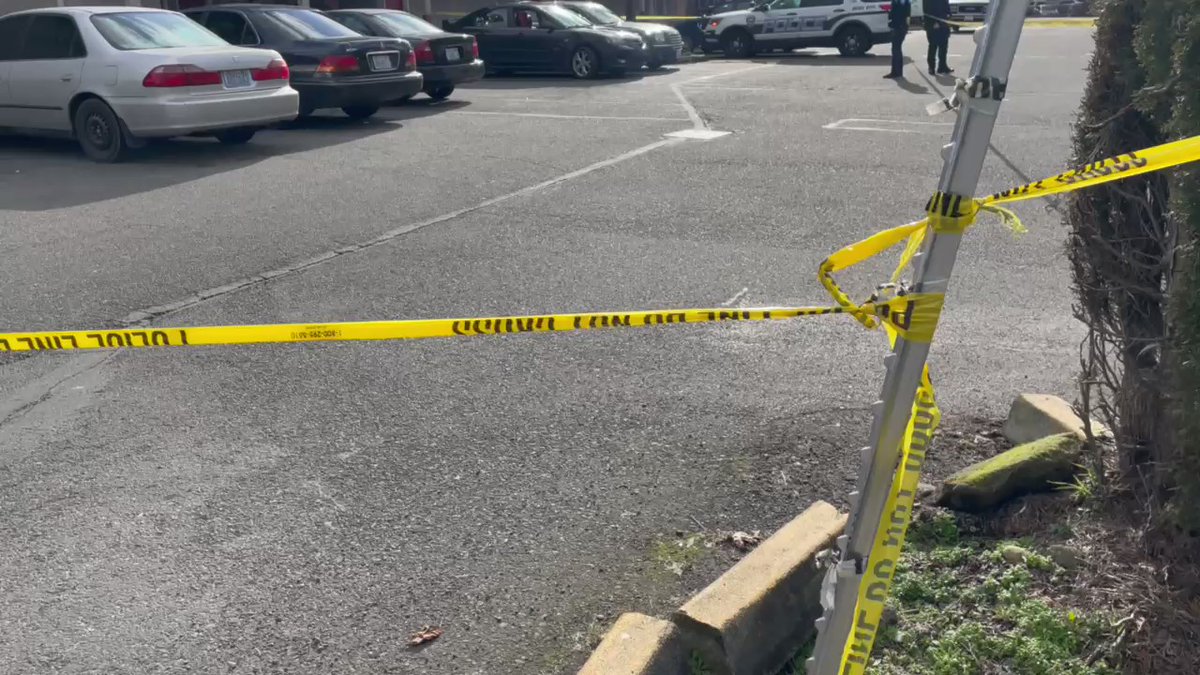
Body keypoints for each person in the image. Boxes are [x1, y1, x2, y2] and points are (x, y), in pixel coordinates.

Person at [924, 0, 953, 75]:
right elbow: (926, 10)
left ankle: (942, 67)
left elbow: (946, 7)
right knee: (933, 46)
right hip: (933, 25)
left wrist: (949, 15)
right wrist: (933, 23)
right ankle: (931, 67)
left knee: (944, 47)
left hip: (943, 24)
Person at [884, 0, 911, 79]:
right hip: (901, 27)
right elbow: (907, 16)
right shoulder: (906, 2)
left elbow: (894, 15)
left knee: (896, 49)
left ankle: (896, 72)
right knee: (896, 49)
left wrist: (889, 13)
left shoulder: (898, 2)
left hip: (898, 27)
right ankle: (896, 71)